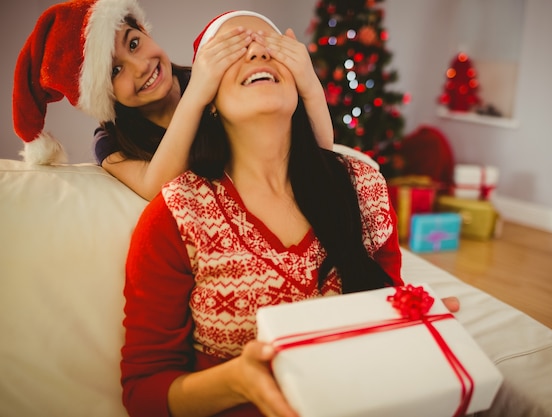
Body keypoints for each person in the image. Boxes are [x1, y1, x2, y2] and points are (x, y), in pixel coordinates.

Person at [120, 11, 459, 417]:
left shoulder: (363, 186)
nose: (257, 52)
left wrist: (418, 322)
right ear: (207, 99)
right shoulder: (176, 216)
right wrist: (236, 380)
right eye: (233, 50)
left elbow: (386, 316)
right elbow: (144, 393)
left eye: (270, 44)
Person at [12, 0, 333, 200]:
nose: (141, 67)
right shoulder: (111, 144)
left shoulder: (217, 81)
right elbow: (158, 187)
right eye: (115, 71)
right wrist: (198, 94)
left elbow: (315, 152)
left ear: (146, 32)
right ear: (102, 95)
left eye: (134, 43)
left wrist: (308, 83)